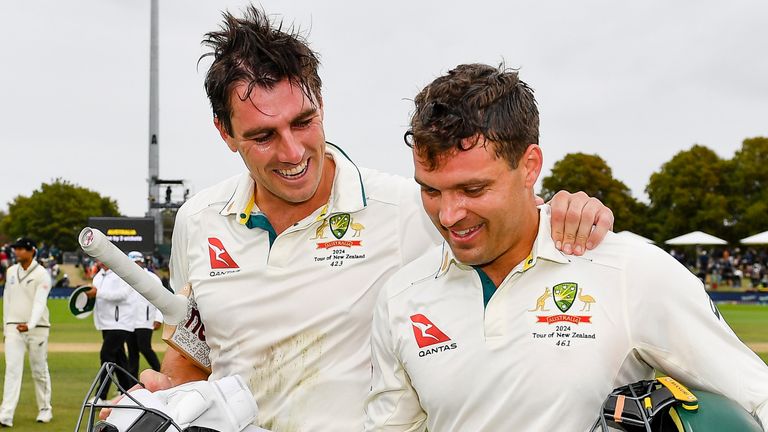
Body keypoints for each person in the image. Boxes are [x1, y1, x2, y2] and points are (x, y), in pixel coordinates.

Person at [137, 7, 614, 431]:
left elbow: (513, 233)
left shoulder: (408, 208)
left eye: (303, 122)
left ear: (321, 103)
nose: (292, 151)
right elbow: (196, 350)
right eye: (263, 136)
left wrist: (570, 210)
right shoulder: (198, 219)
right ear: (225, 133)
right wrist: (170, 395)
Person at [364, 63, 768, 431]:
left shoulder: (631, 272)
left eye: (472, 189)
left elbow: (756, 396)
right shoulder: (401, 297)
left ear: (530, 166)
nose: (449, 215)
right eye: (431, 190)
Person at [0, 237, 53, 426]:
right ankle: (6, 415)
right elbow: (7, 298)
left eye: (21, 249)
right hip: (14, 327)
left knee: (39, 370)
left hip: (37, 329)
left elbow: (40, 302)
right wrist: (6, 325)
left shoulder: (42, 274)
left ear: (32, 251)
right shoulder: (11, 271)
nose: (17, 252)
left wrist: (30, 324)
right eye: (16, 248)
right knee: (12, 370)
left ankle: (45, 409)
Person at [86, 262, 134, 402]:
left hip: (121, 322)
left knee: (106, 355)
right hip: (105, 323)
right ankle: (127, 392)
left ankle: (101, 395)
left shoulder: (122, 273)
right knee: (119, 358)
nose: (99, 260)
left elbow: (123, 294)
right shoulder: (98, 276)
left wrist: (98, 293)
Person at [125, 251, 163, 377]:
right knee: (132, 352)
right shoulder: (124, 277)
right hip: (128, 321)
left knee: (145, 348)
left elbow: (162, 299)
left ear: (142, 262)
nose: (136, 265)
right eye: (133, 262)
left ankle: (161, 373)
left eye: (138, 262)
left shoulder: (152, 278)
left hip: (146, 320)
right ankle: (131, 385)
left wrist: (158, 318)